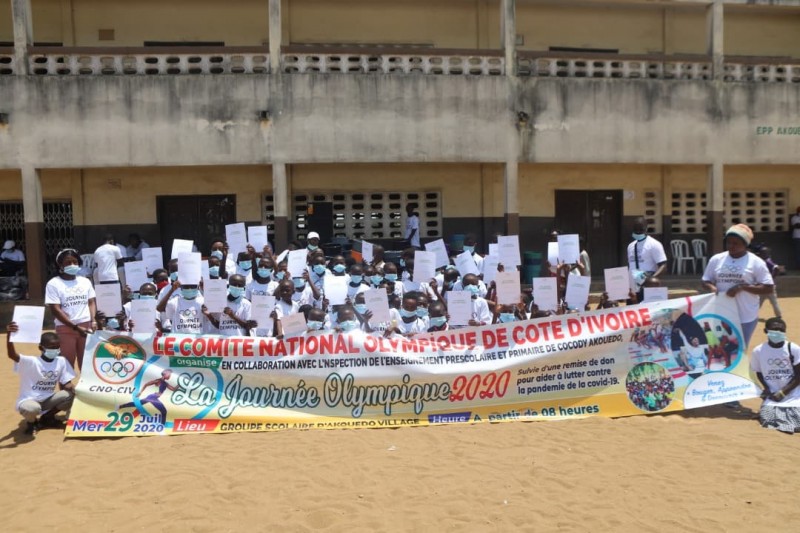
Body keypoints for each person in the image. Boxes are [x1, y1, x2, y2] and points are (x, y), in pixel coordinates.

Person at [702, 224, 774, 348]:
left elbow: (768, 287)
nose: (731, 246)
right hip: (721, 313)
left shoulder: (756, 262)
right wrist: (711, 287)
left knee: (740, 350)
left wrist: (742, 287)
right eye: (728, 242)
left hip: (745, 315)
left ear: (745, 244)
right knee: (719, 348)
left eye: (736, 243)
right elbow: (705, 280)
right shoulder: (716, 259)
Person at [6, 324, 75, 436]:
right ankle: (32, 423)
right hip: (30, 400)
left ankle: (47, 418)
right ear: (41, 348)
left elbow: (67, 383)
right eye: (51, 347)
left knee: (70, 395)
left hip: (48, 400)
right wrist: (9, 335)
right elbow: (12, 355)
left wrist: (78, 389)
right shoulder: (31, 362)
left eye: (57, 347)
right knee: (32, 409)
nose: (55, 350)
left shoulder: (61, 361)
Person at [45, 249, 96, 369]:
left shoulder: (85, 281)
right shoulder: (53, 284)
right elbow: (56, 310)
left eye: (75, 262)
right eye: (68, 262)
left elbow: (91, 302)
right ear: (60, 265)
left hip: (86, 328)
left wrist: (93, 320)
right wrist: (75, 327)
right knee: (66, 366)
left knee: (87, 367)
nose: (72, 265)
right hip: (65, 329)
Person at [750, 317, 800, 433]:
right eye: (774, 329)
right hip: (773, 396)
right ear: (765, 331)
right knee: (767, 420)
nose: (778, 332)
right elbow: (759, 372)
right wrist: (767, 388)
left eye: (781, 330)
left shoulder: (793, 348)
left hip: (794, 394)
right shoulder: (758, 351)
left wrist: (782, 392)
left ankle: (789, 425)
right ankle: (787, 425)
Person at [627, 218, 667, 301]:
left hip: (648, 287)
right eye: (636, 229)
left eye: (640, 229)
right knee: (632, 308)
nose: (638, 232)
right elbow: (630, 266)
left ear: (646, 228)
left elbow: (663, 265)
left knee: (648, 308)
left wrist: (651, 279)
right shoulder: (630, 246)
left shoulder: (654, 244)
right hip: (633, 287)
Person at [757, 246, 784, 318]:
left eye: (763, 253)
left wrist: (771, 278)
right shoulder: (763, 261)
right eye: (761, 253)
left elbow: (777, 268)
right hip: (764, 285)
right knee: (760, 301)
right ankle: (778, 315)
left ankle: (779, 315)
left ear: (767, 254)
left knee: (772, 302)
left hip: (769, 286)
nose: (761, 254)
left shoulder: (767, 261)